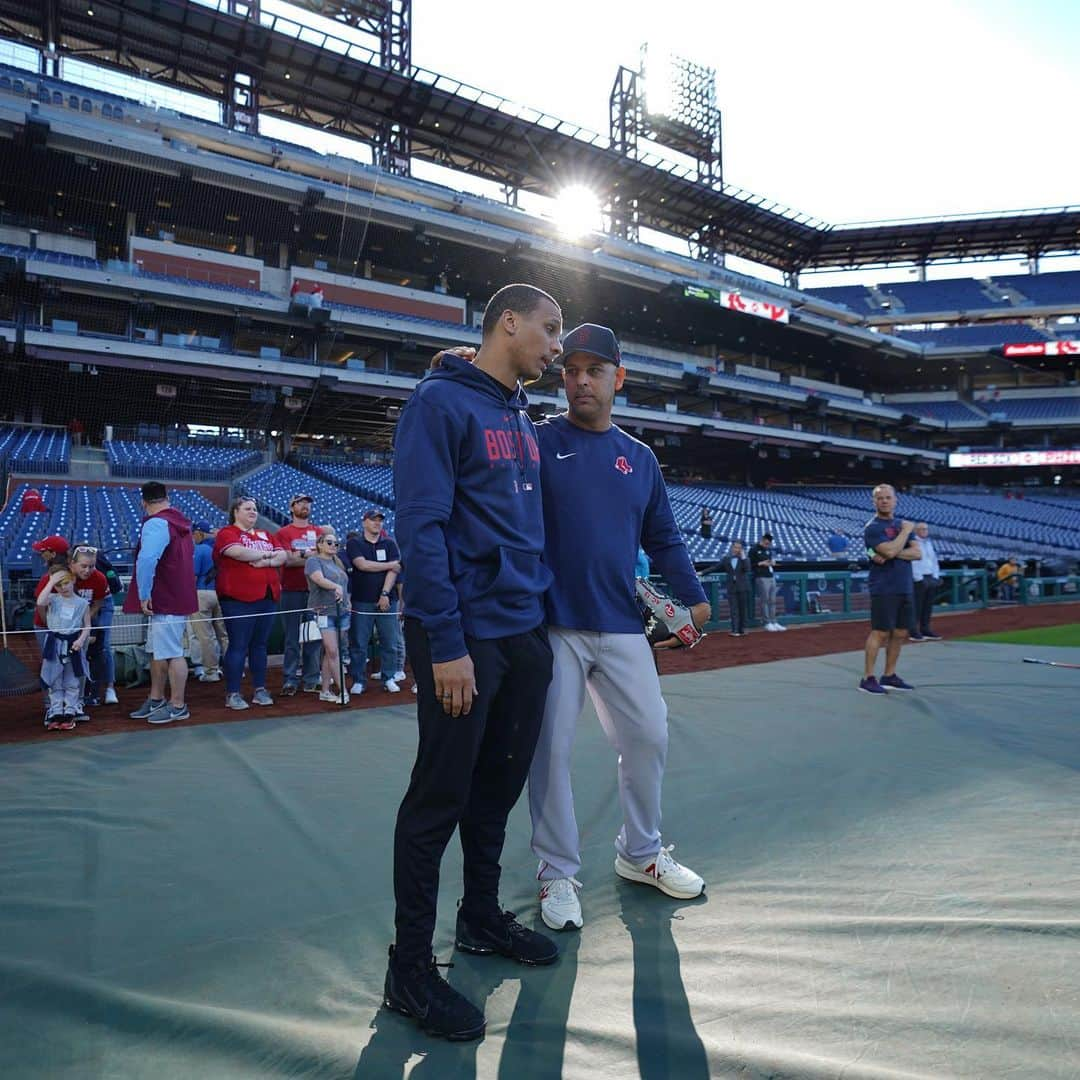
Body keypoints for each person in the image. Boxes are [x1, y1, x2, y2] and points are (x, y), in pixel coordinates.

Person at [385, 283, 563, 1041]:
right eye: (550, 330)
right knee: (440, 795)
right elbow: (420, 528)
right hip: (465, 635)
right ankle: (411, 971)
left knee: (497, 788)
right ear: (509, 323)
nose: (558, 345)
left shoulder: (518, 409)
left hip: (523, 630)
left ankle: (481, 917)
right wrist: (447, 642)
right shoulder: (437, 405)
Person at [523, 323, 709, 934]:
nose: (580, 380)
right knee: (550, 750)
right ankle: (556, 871)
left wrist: (694, 596)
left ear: (617, 379)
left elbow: (664, 537)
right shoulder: (538, 438)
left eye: (594, 371)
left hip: (623, 623)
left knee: (650, 736)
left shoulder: (642, 458)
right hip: (555, 624)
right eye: (571, 369)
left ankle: (641, 852)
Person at [124, 481, 198, 724]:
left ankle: (178, 705)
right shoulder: (181, 523)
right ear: (167, 497)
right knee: (158, 651)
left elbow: (147, 560)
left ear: (143, 502)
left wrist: (144, 594)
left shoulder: (157, 523)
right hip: (177, 595)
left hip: (165, 598)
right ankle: (156, 699)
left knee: (172, 653)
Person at [213, 496, 287, 710]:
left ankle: (259, 689)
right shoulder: (228, 533)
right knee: (238, 645)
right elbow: (237, 552)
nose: (253, 512)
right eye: (248, 509)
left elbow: (283, 556)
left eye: (255, 509)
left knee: (260, 645)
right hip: (238, 599)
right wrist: (267, 555)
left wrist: (267, 560)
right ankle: (233, 693)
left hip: (267, 597)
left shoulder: (266, 534)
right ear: (236, 511)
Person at [860, 484, 921, 695]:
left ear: (895, 500)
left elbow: (917, 554)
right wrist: (904, 533)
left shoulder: (898, 523)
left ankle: (889, 675)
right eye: (880, 498)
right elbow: (891, 550)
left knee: (901, 632)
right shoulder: (873, 527)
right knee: (880, 632)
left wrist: (893, 551)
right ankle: (867, 678)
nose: (884, 501)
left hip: (904, 585)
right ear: (874, 502)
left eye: (888, 497)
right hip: (883, 586)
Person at [345, 508, 403, 695]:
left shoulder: (390, 543)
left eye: (379, 520)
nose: (377, 523)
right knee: (359, 643)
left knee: (390, 642)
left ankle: (389, 677)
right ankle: (359, 680)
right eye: (372, 520)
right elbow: (362, 564)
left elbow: (395, 571)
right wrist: (389, 565)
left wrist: (385, 593)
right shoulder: (355, 543)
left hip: (388, 600)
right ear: (364, 523)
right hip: (361, 600)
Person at [275, 494, 327, 696]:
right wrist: (310, 555)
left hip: (315, 591)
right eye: (300, 503)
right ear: (292, 507)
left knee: (314, 636)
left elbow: (325, 557)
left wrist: (301, 555)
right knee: (292, 637)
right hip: (291, 590)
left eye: (307, 503)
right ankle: (290, 679)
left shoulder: (318, 531)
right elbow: (287, 560)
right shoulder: (284, 532)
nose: (305, 505)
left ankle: (311, 678)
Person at [36, 563, 91, 731]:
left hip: (72, 645)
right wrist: (50, 582)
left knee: (72, 680)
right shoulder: (52, 599)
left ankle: (69, 711)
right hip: (54, 644)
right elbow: (40, 601)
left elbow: (87, 626)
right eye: (58, 585)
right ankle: (56, 711)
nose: (63, 587)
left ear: (73, 580)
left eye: (65, 582)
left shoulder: (82, 603)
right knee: (54, 680)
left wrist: (81, 640)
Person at [305, 531, 350, 704]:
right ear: (320, 544)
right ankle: (343, 690)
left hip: (342, 611)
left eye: (336, 543)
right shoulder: (313, 561)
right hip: (323, 611)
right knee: (332, 651)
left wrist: (347, 599)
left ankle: (325, 690)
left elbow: (346, 585)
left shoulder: (337, 562)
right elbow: (318, 579)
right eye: (329, 542)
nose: (333, 546)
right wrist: (335, 587)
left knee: (332, 652)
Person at [67, 545, 109, 714]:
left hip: (88, 620)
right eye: (83, 566)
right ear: (72, 564)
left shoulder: (99, 578)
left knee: (95, 656)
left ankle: (90, 694)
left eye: (91, 566)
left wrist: (85, 623)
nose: (88, 570)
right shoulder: (64, 577)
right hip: (64, 624)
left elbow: (98, 603)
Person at [189, 519, 228, 682]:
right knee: (224, 635)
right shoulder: (218, 549)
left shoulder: (200, 549)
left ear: (198, 533)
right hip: (220, 593)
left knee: (204, 636)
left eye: (193, 534)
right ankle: (235, 668)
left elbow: (194, 576)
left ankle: (211, 672)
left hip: (201, 594)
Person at [910, 522, 942, 642]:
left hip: (930, 576)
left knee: (927, 606)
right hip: (919, 578)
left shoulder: (928, 543)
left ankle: (925, 628)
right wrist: (918, 578)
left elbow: (933, 560)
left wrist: (935, 576)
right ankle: (913, 630)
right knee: (916, 606)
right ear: (916, 530)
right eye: (922, 529)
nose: (924, 531)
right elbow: (913, 562)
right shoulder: (912, 543)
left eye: (926, 529)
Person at [748, 532, 785, 631]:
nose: (768, 542)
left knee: (772, 600)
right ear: (763, 539)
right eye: (767, 540)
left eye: (770, 541)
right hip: (761, 577)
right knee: (765, 600)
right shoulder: (754, 549)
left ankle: (774, 621)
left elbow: (770, 561)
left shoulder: (768, 550)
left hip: (770, 576)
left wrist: (772, 563)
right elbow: (749, 564)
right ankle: (766, 622)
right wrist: (760, 563)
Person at [725, 540, 752, 636]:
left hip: (743, 588)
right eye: (735, 547)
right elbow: (716, 567)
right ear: (732, 548)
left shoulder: (745, 559)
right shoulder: (727, 558)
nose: (737, 549)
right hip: (732, 588)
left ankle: (743, 629)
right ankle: (735, 630)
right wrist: (702, 572)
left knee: (743, 609)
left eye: (739, 548)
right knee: (734, 610)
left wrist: (743, 556)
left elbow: (747, 569)